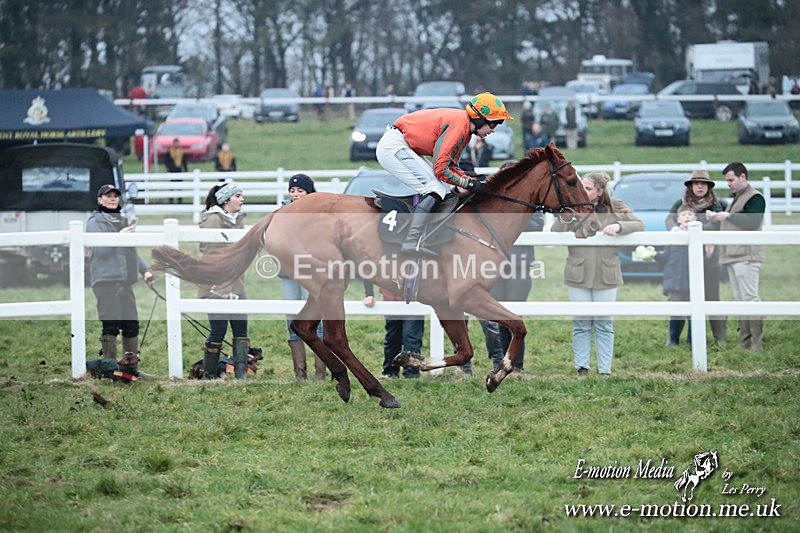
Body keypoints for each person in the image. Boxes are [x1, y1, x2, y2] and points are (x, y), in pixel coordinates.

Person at [375, 91, 512, 256]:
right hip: (394, 146)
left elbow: (451, 166)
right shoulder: (460, 126)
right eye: (494, 124)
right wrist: (467, 184)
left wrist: (469, 181)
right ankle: (411, 241)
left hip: (403, 144)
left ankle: (421, 236)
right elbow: (440, 170)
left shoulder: (464, 129)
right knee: (435, 189)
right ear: (480, 119)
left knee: (445, 190)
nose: (494, 130)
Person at [552, 172, 644, 376]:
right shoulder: (573, 205)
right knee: (581, 323)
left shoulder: (615, 206)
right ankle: (582, 368)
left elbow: (638, 224)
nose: (583, 191)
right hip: (578, 272)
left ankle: (605, 370)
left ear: (600, 191)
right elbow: (555, 231)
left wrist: (619, 226)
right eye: (582, 187)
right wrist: (564, 214)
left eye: (588, 188)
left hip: (606, 272)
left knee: (604, 323)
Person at [86, 184, 154, 378]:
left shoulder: (121, 220)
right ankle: (109, 370)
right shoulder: (94, 222)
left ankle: (130, 369)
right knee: (111, 325)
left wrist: (145, 269)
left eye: (115, 195)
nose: (112, 198)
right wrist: (119, 236)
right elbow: (99, 250)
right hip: (106, 280)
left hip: (124, 281)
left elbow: (129, 251)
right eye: (108, 196)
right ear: (100, 200)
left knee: (131, 324)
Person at [706, 162, 766, 351]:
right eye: (727, 181)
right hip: (734, 255)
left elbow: (754, 221)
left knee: (750, 299)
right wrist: (718, 218)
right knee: (741, 300)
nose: (729, 184)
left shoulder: (755, 197)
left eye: (731, 180)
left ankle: (756, 342)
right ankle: (745, 341)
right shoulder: (738, 198)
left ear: (743, 177)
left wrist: (727, 217)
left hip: (746, 254)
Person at [665, 170, 726, 344]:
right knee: (682, 298)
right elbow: (669, 220)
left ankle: (719, 338)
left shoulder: (715, 205)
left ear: (708, 186)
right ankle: (674, 338)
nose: (700, 186)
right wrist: (676, 229)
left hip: (708, 261)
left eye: (703, 183)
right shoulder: (681, 203)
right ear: (691, 186)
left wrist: (693, 227)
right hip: (684, 262)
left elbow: (716, 225)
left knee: (712, 298)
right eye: (696, 183)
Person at [198, 182, 250, 379]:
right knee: (218, 330)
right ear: (226, 200)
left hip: (236, 282)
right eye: (237, 195)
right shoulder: (213, 219)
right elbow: (210, 252)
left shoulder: (237, 220)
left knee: (241, 329)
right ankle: (209, 375)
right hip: (216, 282)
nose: (241, 199)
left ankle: (241, 373)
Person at [281, 173, 326, 379]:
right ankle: (300, 373)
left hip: (312, 271)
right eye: (292, 190)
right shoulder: (281, 213)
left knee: (316, 315)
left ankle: (320, 372)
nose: (296, 194)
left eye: (300, 191)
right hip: (288, 271)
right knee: (292, 314)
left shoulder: (318, 215)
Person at [658, 205, 699, 346]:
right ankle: (673, 341)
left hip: (692, 282)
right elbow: (665, 257)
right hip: (674, 282)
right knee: (675, 312)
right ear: (678, 220)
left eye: (690, 214)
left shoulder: (699, 237)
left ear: (696, 218)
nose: (687, 217)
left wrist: (709, 255)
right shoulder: (673, 237)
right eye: (683, 215)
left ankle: (692, 341)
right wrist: (654, 255)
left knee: (693, 314)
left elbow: (704, 260)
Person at [363, 283, 423, 379]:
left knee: (410, 336)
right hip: (390, 299)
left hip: (413, 300)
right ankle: (390, 373)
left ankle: (411, 375)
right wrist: (369, 294)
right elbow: (367, 271)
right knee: (392, 337)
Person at [164, 137, 187, 204]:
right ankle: (171, 200)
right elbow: (167, 161)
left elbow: (184, 161)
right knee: (172, 186)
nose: (176, 144)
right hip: (172, 170)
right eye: (175, 143)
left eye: (177, 143)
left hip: (179, 170)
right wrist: (168, 169)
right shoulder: (170, 151)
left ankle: (180, 200)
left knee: (180, 186)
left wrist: (185, 170)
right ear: (173, 143)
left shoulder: (181, 151)